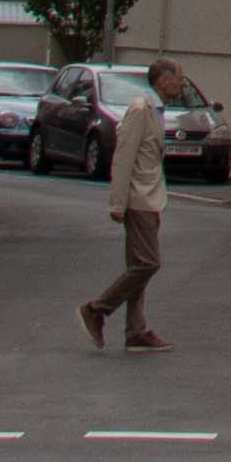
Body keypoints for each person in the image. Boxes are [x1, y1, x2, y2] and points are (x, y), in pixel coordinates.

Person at [80, 72, 172, 352]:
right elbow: (123, 157)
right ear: (164, 79)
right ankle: (97, 309)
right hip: (138, 199)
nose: (182, 84)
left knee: (138, 266)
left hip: (150, 198)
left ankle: (136, 331)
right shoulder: (140, 109)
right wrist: (118, 202)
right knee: (148, 263)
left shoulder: (155, 109)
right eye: (179, 78)